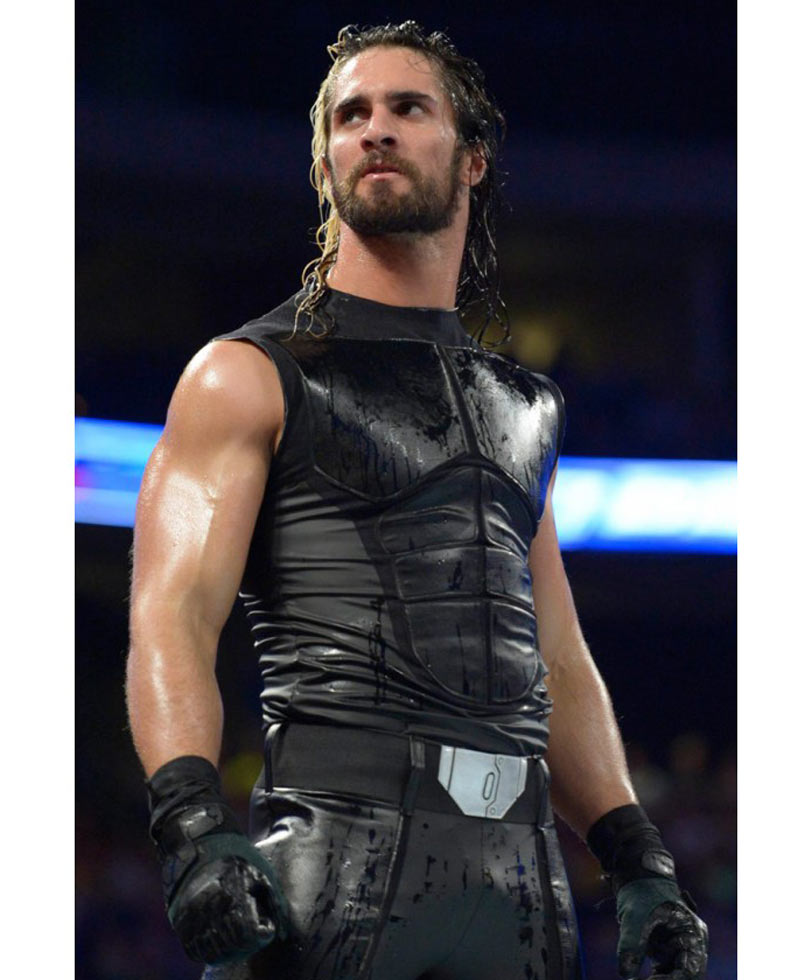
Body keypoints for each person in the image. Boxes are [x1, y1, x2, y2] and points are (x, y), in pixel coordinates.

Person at [126, 21, 709, 980]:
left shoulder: (527, 409)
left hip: (523, 880)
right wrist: (191, 826)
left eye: (407, 107)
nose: (376, 129)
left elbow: (556, 656)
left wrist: (638, 860)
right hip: (330, 855)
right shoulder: (246, 374)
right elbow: (174, 616)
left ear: (473, 157)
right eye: (350, 115)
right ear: (327, 164)